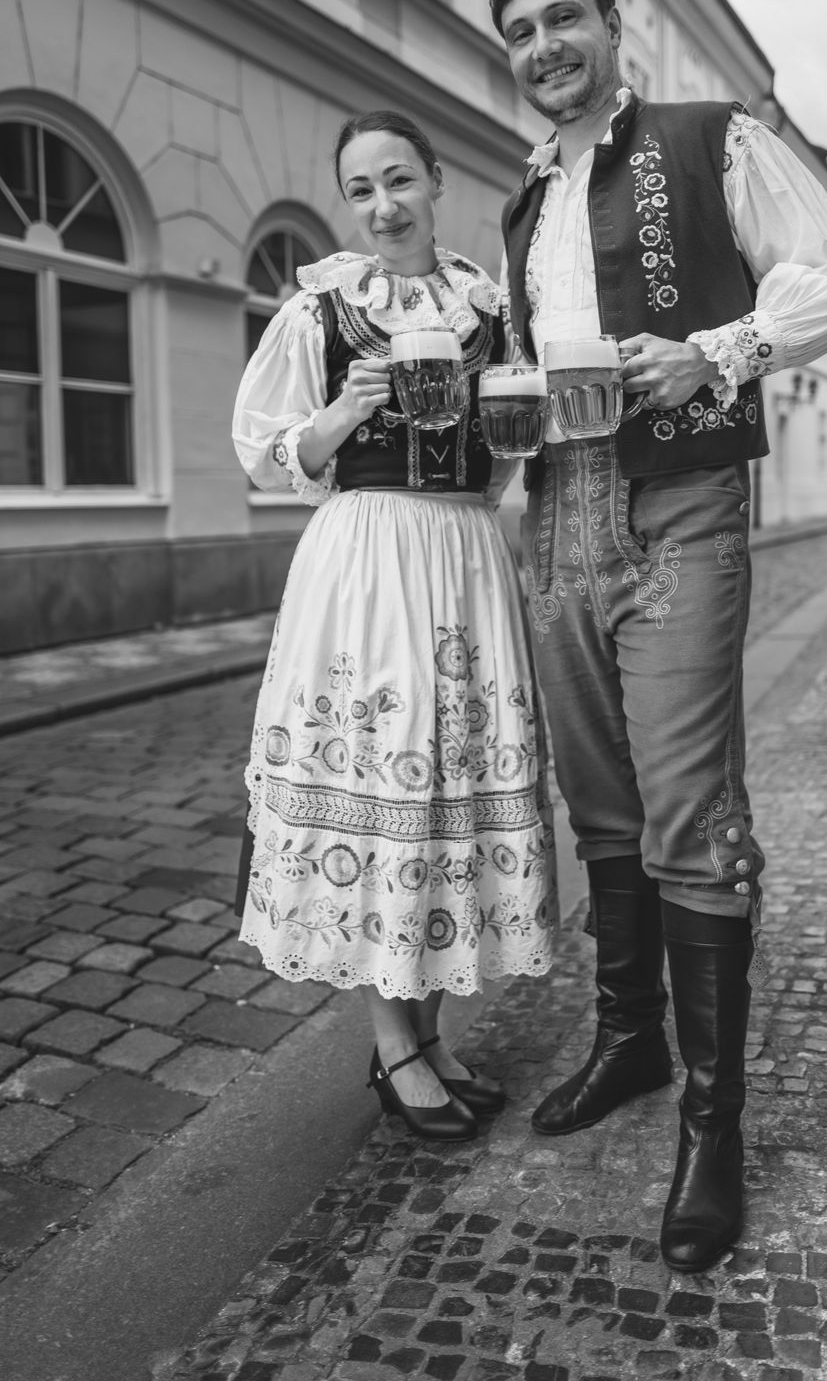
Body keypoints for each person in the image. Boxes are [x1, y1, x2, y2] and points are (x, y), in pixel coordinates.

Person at [488, 0, 827, 1267]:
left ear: (610, 26)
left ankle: (714, 1130)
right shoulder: (522, 200)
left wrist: (717, 350)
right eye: (521, 30)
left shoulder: (711, 139)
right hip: (560, 507)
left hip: (684, 497)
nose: (545, 45)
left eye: (564, 18)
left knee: (691, 808)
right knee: (598, 798)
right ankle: (629, 1042)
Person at [232, 110, 557, 1143]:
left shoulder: (490, 310)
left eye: (399, 180)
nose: (383, 206)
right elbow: (265, 455)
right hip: (367, 562)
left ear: (435, 180)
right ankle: (393, 1045)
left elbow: (506, 455)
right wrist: (343, 410)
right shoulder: (322, 311)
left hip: (463, 556)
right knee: (387, 782)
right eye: (362, 189)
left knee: (448, 787)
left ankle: (428, 1033)